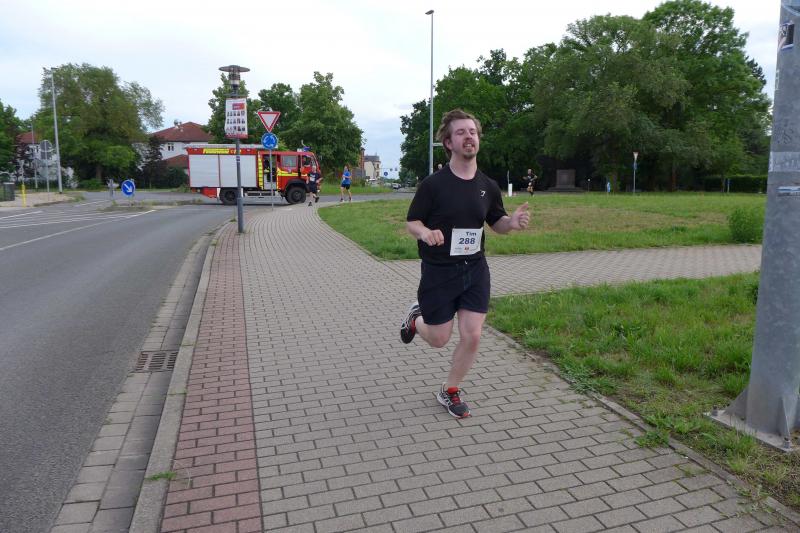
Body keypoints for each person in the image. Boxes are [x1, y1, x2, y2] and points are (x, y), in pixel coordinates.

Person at [400, 109, 530, 418]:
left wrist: (511, 223)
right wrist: (425, 232)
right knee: (439, 339)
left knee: (473, 334)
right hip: (439, 271)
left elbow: (496, 222)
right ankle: (416, 319)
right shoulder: (434, 185)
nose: (469, 136)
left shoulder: (488, 185)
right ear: (448, 143)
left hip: (474, 270)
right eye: (461, 132)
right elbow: (412, 221)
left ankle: (450, 389)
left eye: (472, 132)